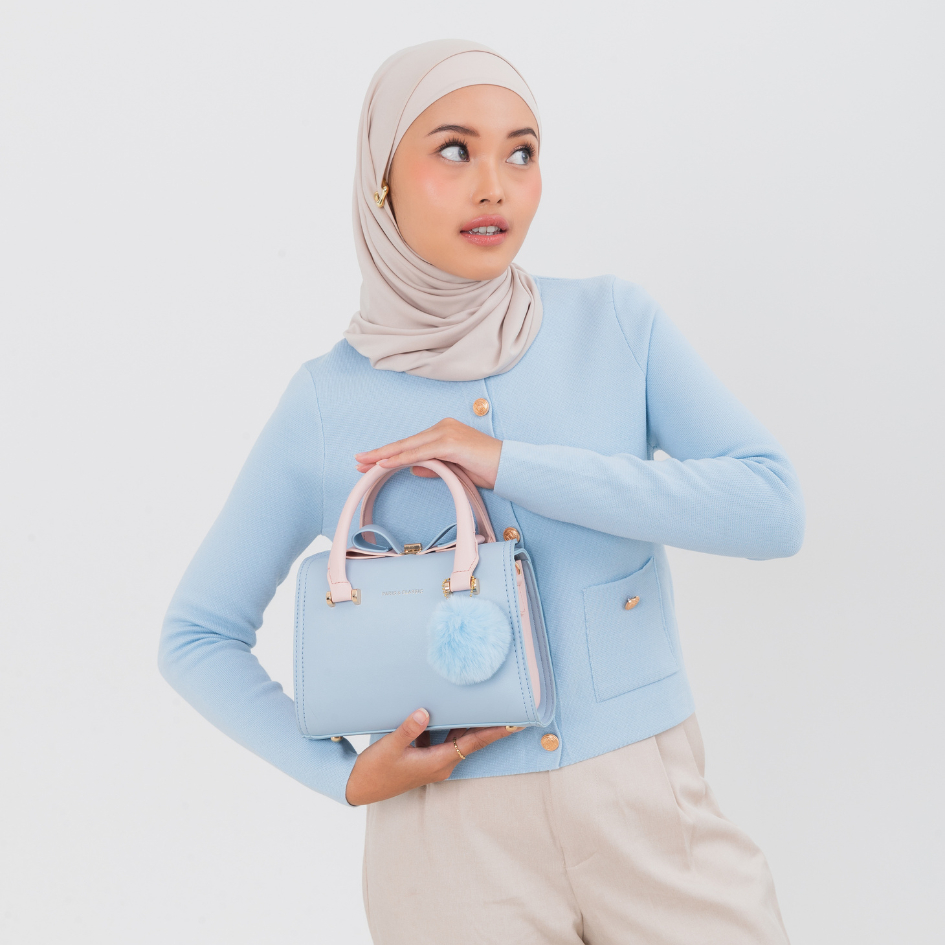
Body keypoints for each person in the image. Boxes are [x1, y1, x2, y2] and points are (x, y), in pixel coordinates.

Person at [159, 38, 804, 945]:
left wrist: (508, 461)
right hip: (447, 851)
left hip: (651, 812)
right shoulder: (324, 403)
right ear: (381, 178)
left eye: (521, 152)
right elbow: (196, 636)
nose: (494, 186)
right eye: (454, 150)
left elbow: (772, 509)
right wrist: (341, 775)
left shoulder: (615, 325)